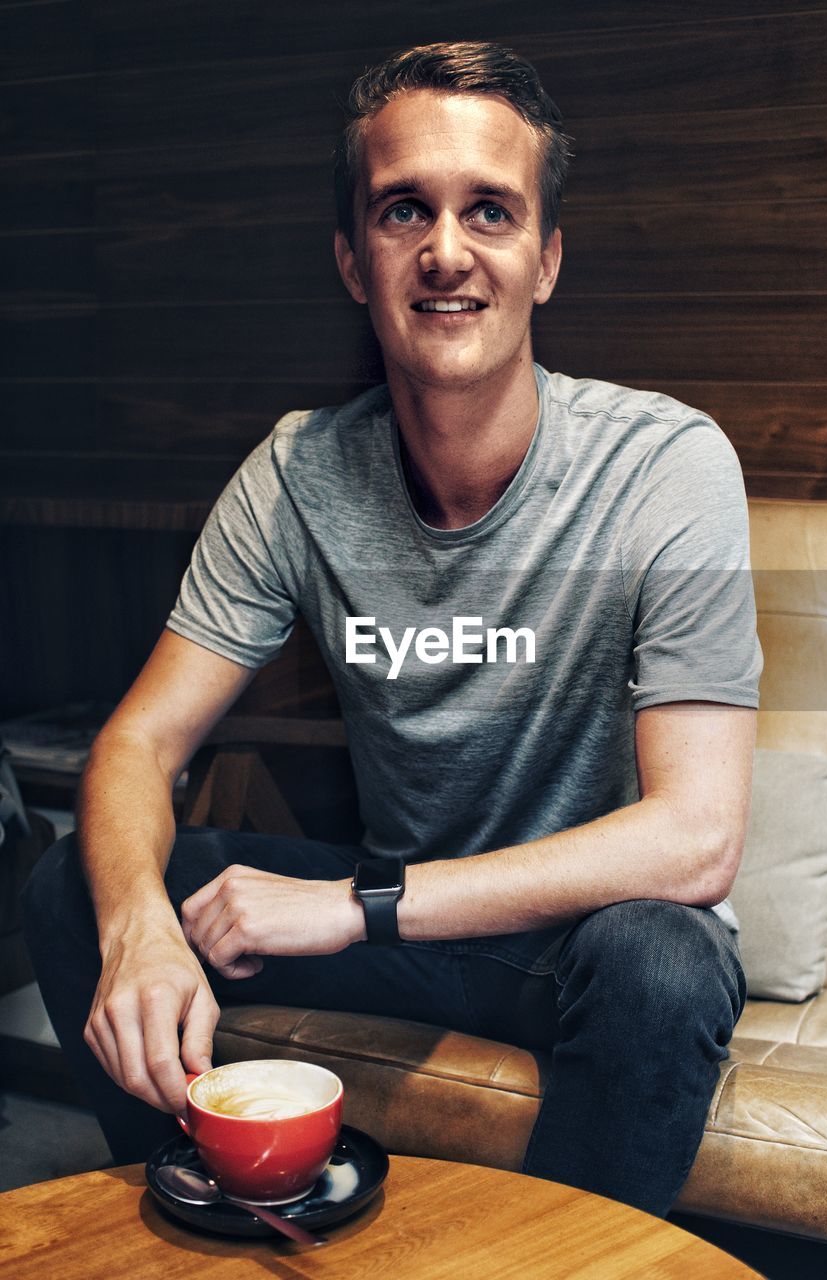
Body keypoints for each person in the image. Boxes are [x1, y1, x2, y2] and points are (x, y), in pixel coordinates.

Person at [24, 41, 761, 1217]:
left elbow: (695, 838)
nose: (447, 250)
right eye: (403, 208)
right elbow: (135, 747)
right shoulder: (297, 475)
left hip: (580, 947)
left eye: (491, 211)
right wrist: (138, 930)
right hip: (407, 927)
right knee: (75, 883)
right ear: (352, 260)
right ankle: (213, 1207)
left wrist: (356, 905)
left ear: (547, 259)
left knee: (662, 955)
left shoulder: (664, 465)